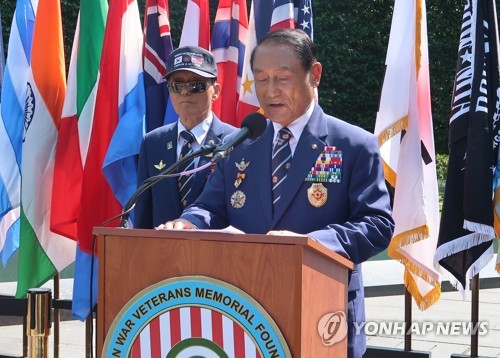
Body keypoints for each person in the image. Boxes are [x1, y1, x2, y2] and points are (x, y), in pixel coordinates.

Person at [158, 29, 394, 357]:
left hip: (324, 314)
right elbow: (210, 206)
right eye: (262, 79)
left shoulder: (352, 144)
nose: (271, 92)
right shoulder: (242, 143)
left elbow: (377, 225)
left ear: (314, 75)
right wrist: (190, 222)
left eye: (283, 78)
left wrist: (309, 246)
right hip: (248, 314)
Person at [134, 46, 236, 229]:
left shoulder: (236, 141)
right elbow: (144, 213)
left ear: (217, 91)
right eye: (177, 85)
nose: (185, 92)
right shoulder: (153, 142)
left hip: (218, 253)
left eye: (196, 85)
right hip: (163, 253)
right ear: (169, 90)